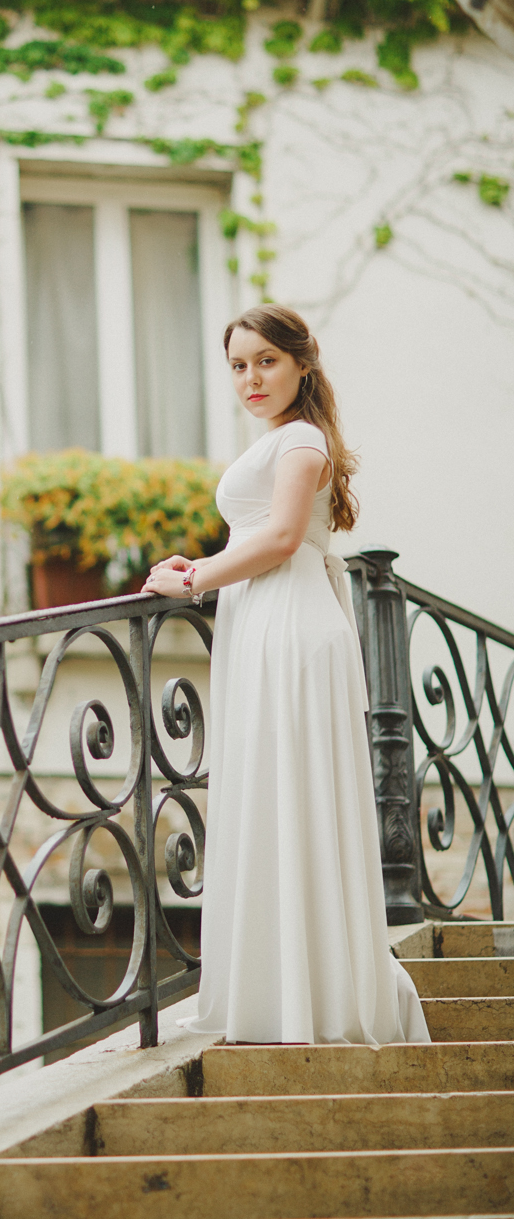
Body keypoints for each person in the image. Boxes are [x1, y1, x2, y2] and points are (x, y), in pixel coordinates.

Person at [142, 304, 429, 1046]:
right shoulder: (281, 440)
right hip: (263, 623)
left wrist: (196, 576)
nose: (251, 378)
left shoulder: (302, 441)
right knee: (272, 791)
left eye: (265, 360)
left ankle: (317, 992)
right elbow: (257, 534)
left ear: (302, 363)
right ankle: (279, 983)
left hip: (293, 631)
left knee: (293, 788)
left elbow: (277, 538)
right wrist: (197, 565)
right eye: (238, 365)